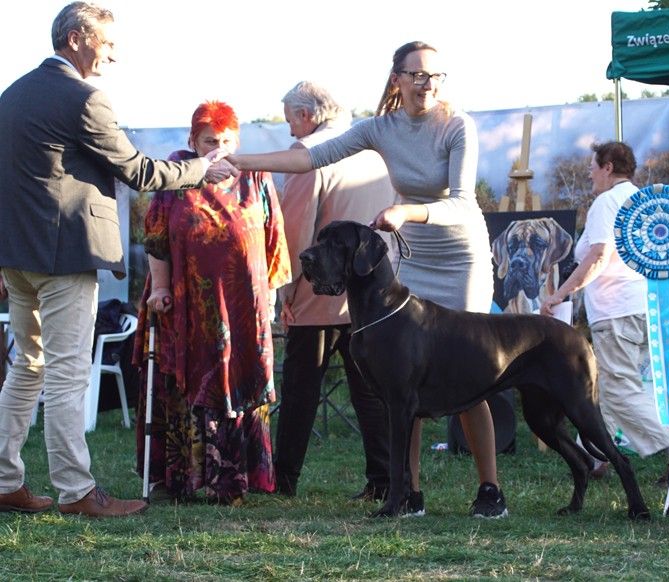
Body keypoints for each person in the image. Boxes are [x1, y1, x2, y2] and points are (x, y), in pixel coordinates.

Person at [230, 41, 508, 518]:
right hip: (413, 255)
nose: (427, 84)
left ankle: (489, 489)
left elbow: (463, 203)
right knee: (403, 378)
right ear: (397, 79)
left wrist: (406, 211)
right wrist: (241, 162)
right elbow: (310, 159)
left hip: (459, 257)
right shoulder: (380, 128)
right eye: (417, 75)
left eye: (434, 75)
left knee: (469, 377)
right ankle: (408, 492)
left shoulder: (457, 126)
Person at [0, 2, 235, 518]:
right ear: (77, 38)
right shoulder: (85, 98)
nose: (114, 54)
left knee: (28, 366)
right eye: (107, 43)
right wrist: (201, 169)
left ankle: (4, 480)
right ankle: (76, 491)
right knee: (67, 372)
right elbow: (138, 171)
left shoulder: (11, 94)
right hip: (63, 255)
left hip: (16, 257)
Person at [133, 100, 290, 505]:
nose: (218, 149)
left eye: (226, 141)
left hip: (244, 306)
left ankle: (237, 478)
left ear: (237, 141)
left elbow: (274, 234)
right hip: (188, 306)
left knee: (240, 377)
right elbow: (156, 237)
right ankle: (182, 479)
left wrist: (273, 297)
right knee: (191, 381)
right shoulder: (176, 172)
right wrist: (160, 287)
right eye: (209, 141)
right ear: (192, 140)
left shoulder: (254, 174)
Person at [273, 81, 395, 500]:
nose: (290, 130)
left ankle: (284, 479)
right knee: (371, 391)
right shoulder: (374, 152)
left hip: (318, 294)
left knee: (301, 389)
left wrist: (286, 290)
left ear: (306, 116)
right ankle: (383, 478)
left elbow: (296, 230)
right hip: (371, 293)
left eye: (290, 121)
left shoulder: (308, 155)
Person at [542, 142, 669, 478]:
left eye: (593, 167)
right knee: (612, 386)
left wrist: (560, 294)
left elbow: (598, 256)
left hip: (616, 311)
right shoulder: (643, 200)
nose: (589, 173)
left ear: (608, 167)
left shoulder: (606, 202)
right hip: (646, 307)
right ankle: (595, 458)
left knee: (620, 391)